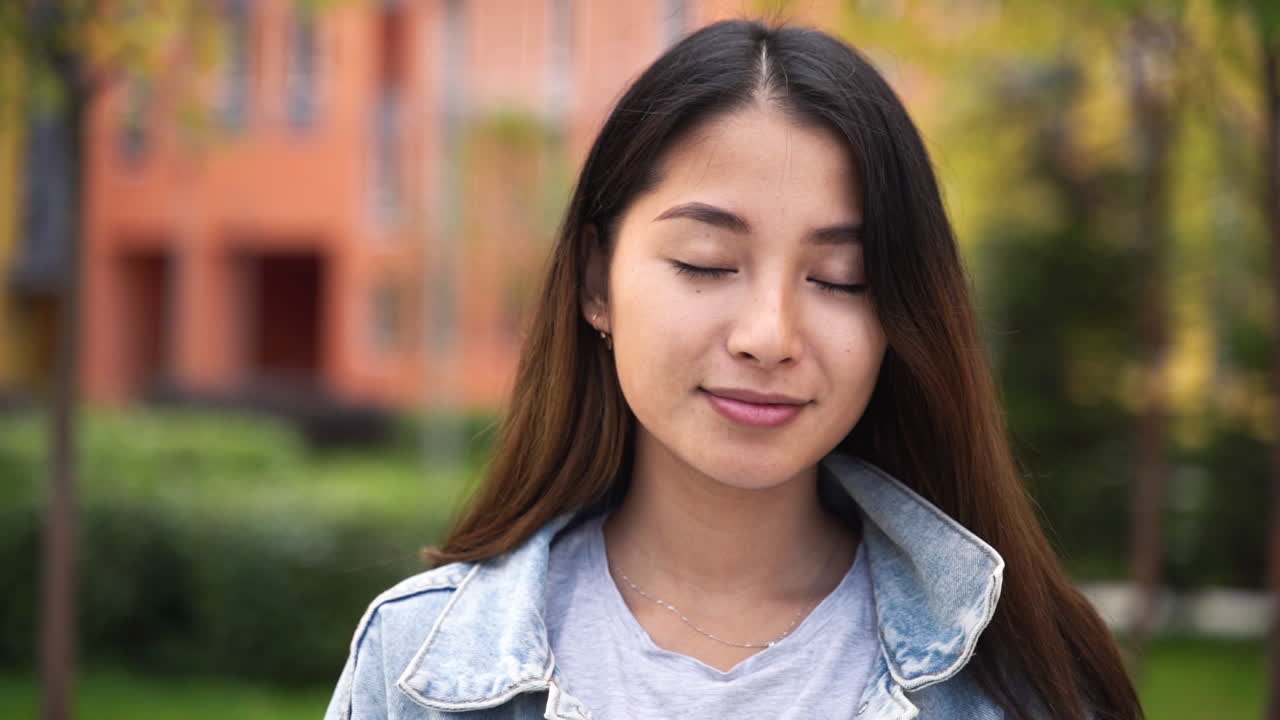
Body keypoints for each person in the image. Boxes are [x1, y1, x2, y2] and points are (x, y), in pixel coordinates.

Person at [324, 19, 1141, 720]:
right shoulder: (418, 667)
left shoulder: (1030, 681)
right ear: (593, 281)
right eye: (708, 262)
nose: (770, 335)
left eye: (840, 280)